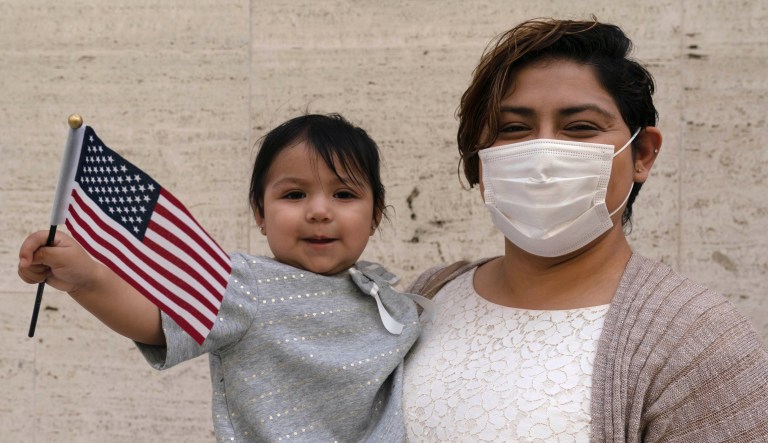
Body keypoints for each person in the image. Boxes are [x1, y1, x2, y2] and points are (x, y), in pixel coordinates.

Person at [403, 17, 768, 442]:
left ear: (642, 155)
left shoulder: (698, 343)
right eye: (514, 129)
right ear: (480, 158)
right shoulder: (430, 295)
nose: (543, 154)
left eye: (579, 128)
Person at [18, 113, 425, 442]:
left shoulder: (391, 303)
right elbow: (157, 321)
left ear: (375, 215)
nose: (319, 211)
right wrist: (87, 279)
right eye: (294, 195)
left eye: (344, 195)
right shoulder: (249, 286)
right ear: (260, 214)